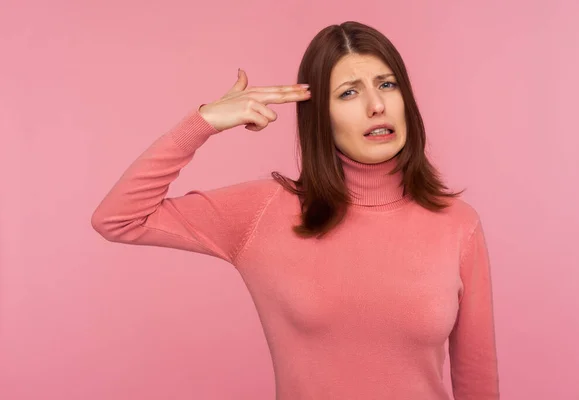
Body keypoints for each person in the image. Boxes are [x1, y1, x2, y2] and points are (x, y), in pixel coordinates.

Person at [91, 20, 499, 400]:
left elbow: (477, 378)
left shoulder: (457, 224)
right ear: (319, 116)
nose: (376, 106)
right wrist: (203, 122)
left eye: (387, 84)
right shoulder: (264, 212)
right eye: (349, 92)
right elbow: (119, 218)